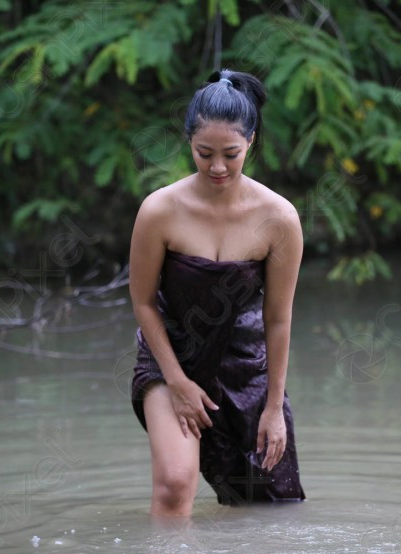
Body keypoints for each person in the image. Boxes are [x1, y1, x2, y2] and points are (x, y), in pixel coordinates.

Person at [129, 69, 306, 517]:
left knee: (265, 506)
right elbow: (144, 302)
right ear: (189, 142)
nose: (218, 168)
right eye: (204, 153)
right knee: (174, 484)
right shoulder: (159, 210)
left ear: (251, 142)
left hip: (244, 361)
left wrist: (273, 408)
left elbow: (278, 318)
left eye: (231, 154)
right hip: (172, 353)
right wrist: (177, 382)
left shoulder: (280, 218)